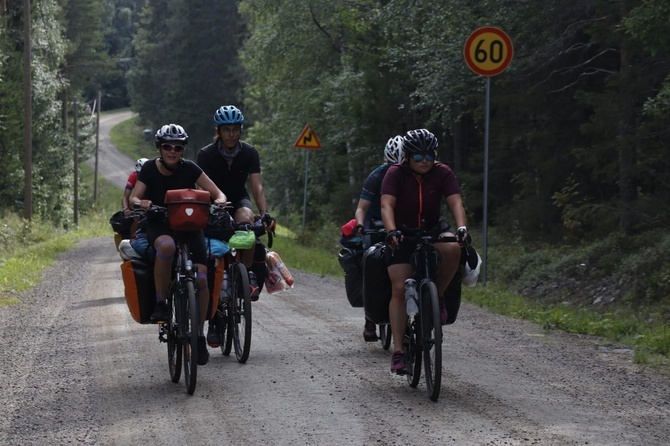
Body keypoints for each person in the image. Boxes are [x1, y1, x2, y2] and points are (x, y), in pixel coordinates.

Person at [130, 124, 227, 366]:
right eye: (167, 146)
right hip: (159, 224)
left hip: (190, 227)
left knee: (202, 277)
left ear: (183, 149)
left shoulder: (191, 168)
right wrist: (141, 203)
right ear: (159, 148)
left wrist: (220, 202)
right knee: (166, 247)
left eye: (177, 147)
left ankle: (199, 335)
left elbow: (217, 193)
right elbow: (133, 196)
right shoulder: (150, 169)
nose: (172, 151)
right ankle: (162, 303)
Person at [380, 128, 470, 374]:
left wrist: (461, 227)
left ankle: (437, 297)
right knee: (399, 288)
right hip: (402, 233)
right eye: (418, 157)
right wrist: (391, 231)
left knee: (453, 247)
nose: (424, 161)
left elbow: (456, 202)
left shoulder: (443, 173)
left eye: (429, 155)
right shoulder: (395, 173)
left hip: (432, 230)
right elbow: (386, 205)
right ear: (407, 157)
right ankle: (398, 352)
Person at [197, 105, 276, 346]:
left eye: (235, 130)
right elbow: (201, 187)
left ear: (241, 130)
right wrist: (208, 208)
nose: (231, 134)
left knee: (247, 225)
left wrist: (264, 213)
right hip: (214, 203)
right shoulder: (206, 154)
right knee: (214, 257)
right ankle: (215, 319)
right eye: (226, 130)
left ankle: (248, 272)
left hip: (239, 199)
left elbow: (257, 187)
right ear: (218, 131)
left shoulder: (250, 153)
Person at [352, 135, 404, 342]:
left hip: (400, 222)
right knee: (370, 259)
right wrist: (358, 224)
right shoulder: (376, 177)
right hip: (374, 222)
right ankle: (370, 319)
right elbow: (361, 208)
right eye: (393, 166)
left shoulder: (412, 177)